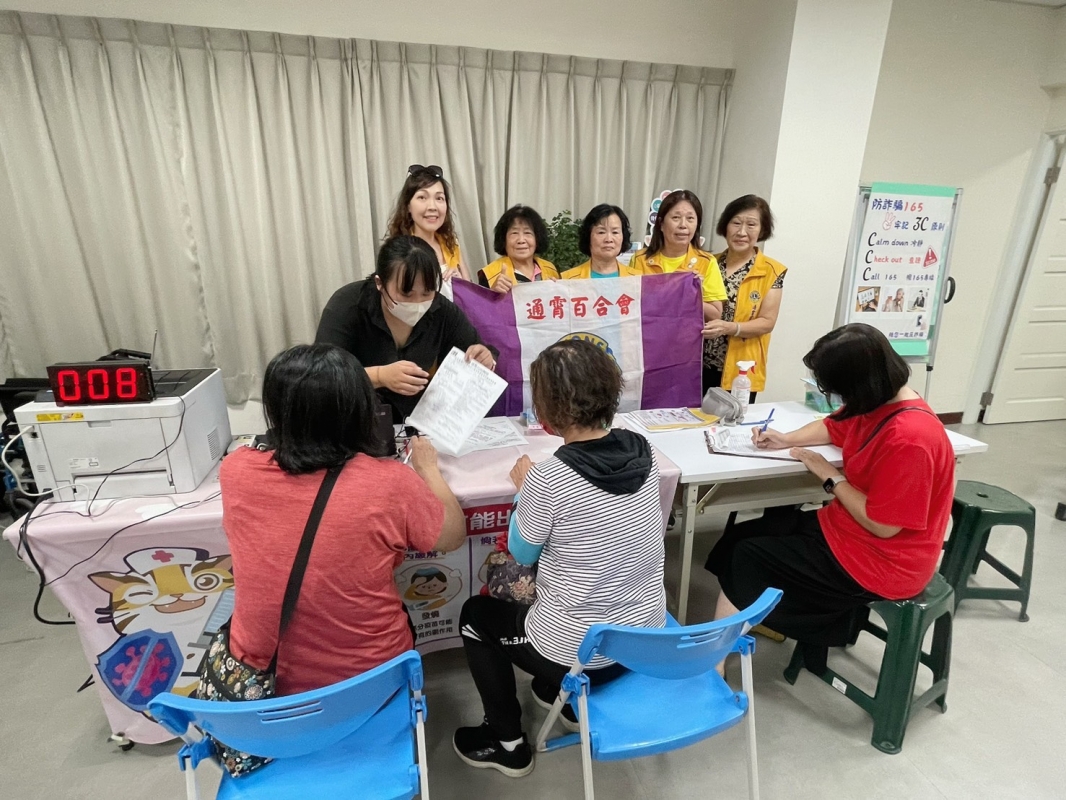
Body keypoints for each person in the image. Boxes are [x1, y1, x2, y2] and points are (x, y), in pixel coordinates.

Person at [453, 339, 666, 778]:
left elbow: (522, 553)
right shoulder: (642, 449)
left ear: (546, 413)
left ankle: (506, 742)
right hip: (643, 641)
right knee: (583, 577)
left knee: (476, 614)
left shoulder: (549, 478)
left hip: (579, 653)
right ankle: (557, 696)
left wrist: (525, 488)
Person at [705, 324, 955, 675]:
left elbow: (883, 526)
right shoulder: (878, 402)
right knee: (739, 538)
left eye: (837, 390)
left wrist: (830, 476)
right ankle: (753, 615)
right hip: (845, 531)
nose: (835, 399)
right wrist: (786, 439)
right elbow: (834, 425)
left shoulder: (910, 439)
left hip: (882, 562)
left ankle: (713, 666)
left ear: (859, 385)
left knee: (749, 557)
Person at [219, 343, 467, 696]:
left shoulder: (235, 470)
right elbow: (451, 536)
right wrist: (428, 469)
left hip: (263, 687)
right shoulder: (389, 482)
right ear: (359, 409)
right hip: (373, 681)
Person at [315, 236, 496, 422]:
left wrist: (485, 359)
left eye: (426, 292)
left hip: (416, 424)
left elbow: (476, 350)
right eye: (406, 294)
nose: (417, 303)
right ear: (380, 283)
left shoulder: (441, 310)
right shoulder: (347, 306)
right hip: (353, 421)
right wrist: (379, 376)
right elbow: (321, 375)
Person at [700, 195, 786, 397]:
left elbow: (767, 322)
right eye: (736, 223)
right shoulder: (707, 263)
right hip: (697, 366)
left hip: (740, 371)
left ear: (762, 230)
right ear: (725, 226)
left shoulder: (771, 270)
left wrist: (730, 328)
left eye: (751, 225)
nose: (741, 232)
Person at [628, 190, 726, 321]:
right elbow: (628, 305)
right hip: (647, 332)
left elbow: (715, 315)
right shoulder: (640, 259)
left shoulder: (706, 262)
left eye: (690, 218)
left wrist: (692, 295)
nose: (683, 225)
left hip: (686, 333)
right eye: (676, 218)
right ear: (661, 224)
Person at [386, 164, 470, 295]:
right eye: (422, 197)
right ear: (408, 206)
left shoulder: (451, 243)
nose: (432, 206)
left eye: (439, 198)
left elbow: (470, 296)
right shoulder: (399, 251)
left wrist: (460, 284)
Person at [478, 205, 560, 292]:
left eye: (527, 233)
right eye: (514, 233)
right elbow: (478, 301)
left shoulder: (550, 269)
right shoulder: (490, 274)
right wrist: (492, 294)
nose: (521, 240)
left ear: (537, 238)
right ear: (503, 239)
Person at [561, 204, 644, 279]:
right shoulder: (568, 279)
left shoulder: (638, 279)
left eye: (615, 232)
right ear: (588, 236)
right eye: (601, 232)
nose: (609, 239)